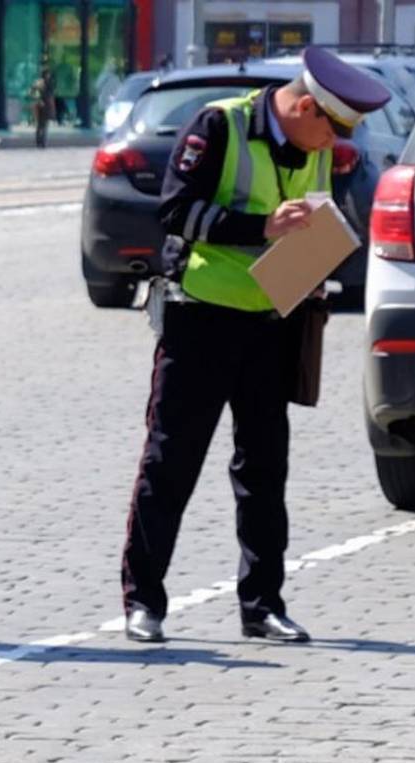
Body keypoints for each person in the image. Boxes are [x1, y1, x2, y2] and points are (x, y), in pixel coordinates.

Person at [120, 47, 392, 646]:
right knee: (171, 463)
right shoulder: (221, 125)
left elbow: (315, 219)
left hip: (272, 322)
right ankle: (144, 602)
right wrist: (262, 227)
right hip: (202, 319)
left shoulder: (316, 148)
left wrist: (313, 261)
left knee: (265, 470)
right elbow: (174, 210)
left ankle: (262, 604)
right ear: (301, 106)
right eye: (330, 129)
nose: (330, 146)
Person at [29, 59, 55, 147]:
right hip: (42, 104)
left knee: (42, 124)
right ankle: (41, 141)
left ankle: (41, 140)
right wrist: (39, 100)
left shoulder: (44, 82)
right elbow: (34, 93)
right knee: (42, 124)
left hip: (44, 104)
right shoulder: (41, 82)